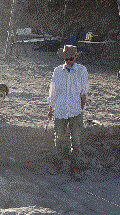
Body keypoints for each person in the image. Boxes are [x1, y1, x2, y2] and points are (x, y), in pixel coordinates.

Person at [47, 45, 89, 176]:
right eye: (67, 59)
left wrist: (81, 108)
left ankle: (75, 166)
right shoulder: (57, 71)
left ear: (76, 57)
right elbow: (52, 92)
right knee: (58, 139)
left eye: (71, 58)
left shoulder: (82, 70)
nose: (69, 61)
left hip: (76, 111)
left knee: (76, 141)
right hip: (60, 110)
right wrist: (51, 109)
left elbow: (84, 92)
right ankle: (57, 163)